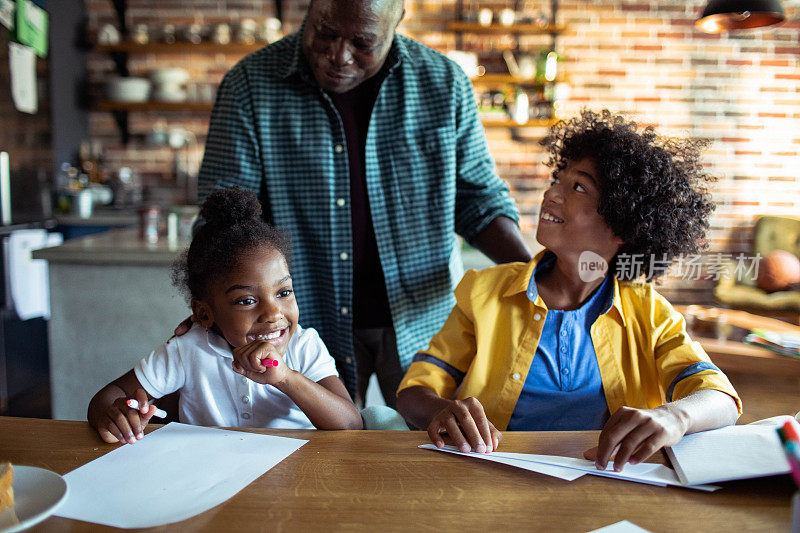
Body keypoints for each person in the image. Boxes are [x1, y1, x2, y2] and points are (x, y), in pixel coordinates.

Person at [194, 0, 532, 408]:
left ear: (397, 22)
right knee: (322, 457)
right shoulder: (250, 85)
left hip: (423, 323)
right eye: (325, 32)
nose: (339, 55)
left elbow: (478, 200)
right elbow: (227, 216)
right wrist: (209, 302)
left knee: (430, 455)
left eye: (362, 42)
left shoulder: (444, 83)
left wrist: (537, 274)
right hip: (304, 323)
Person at [396, 109, 742, 471]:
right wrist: (443, 410)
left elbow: (718, 397)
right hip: (490, 479)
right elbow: (413, 391)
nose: (551, 194)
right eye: (557, 180)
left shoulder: (650, 314)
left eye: (577, 187)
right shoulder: (485, 292)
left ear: (623, 222)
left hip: (610, 484)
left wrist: (676, 417)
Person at [88, 187, 362, 444]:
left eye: (283, 292)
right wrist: (117, 415)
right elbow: (106, 398)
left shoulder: (304, 345)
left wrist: (286, 378)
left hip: (295, 478)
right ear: (204, 313)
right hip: (209, 477)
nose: (273, 312)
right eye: (247, 300)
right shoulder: (187, 350)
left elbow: (351, 423)